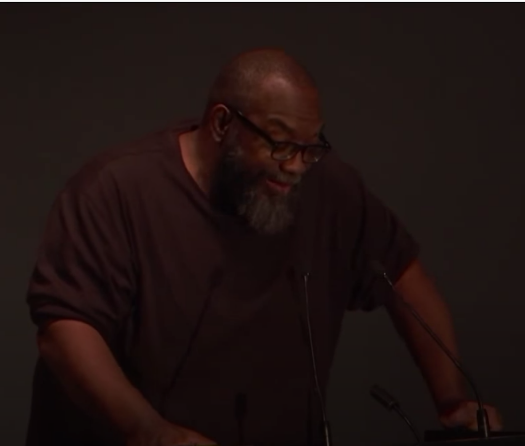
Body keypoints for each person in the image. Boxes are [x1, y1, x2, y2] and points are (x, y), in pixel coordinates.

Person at [25, 48, 501, 446]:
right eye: (279, 144)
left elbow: (402, 276)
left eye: (311, 147)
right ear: (220, 124)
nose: (296, 166)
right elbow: (65, 330)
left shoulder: (328, 190)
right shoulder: (115, 190)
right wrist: (149, 432)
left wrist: (452, 401)